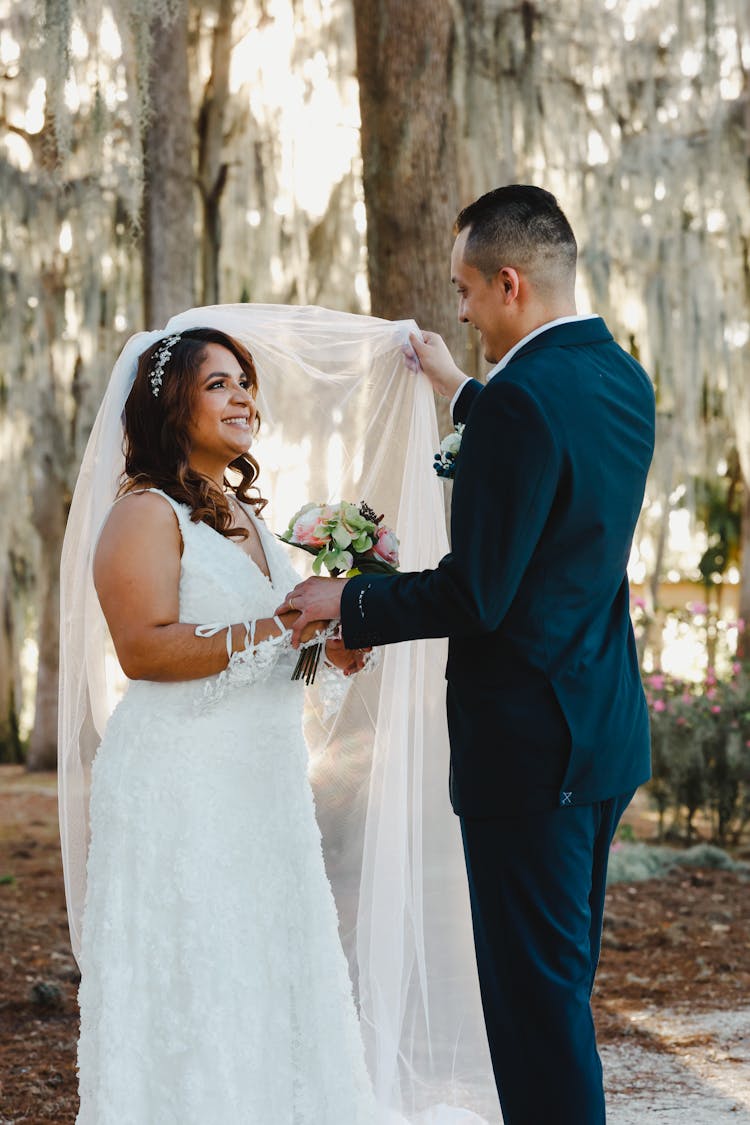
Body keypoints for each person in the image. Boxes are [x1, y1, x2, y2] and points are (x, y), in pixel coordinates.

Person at [280, 184, 657, 1124]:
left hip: (531, 755)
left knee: (536, 1011)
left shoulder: (526, 401)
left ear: (509, 282)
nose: (459, 307)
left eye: (465, 289)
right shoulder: (618, 376)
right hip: (601, 736)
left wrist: (348, 599)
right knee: (557, 986)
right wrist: (465, 395)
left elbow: (475, 595)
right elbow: (553, 483)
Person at [69, 327, 378, 1122]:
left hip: (261, 780)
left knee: (265, 961)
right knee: (199, 968)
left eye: (245, 381)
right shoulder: (143, 511)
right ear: (173, 403)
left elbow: (265, 641)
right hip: (181, 782)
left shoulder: (245, 514)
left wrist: (327, 644)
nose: (243, 396)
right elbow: (143, 649)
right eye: (218, 384)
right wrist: (282, 627)